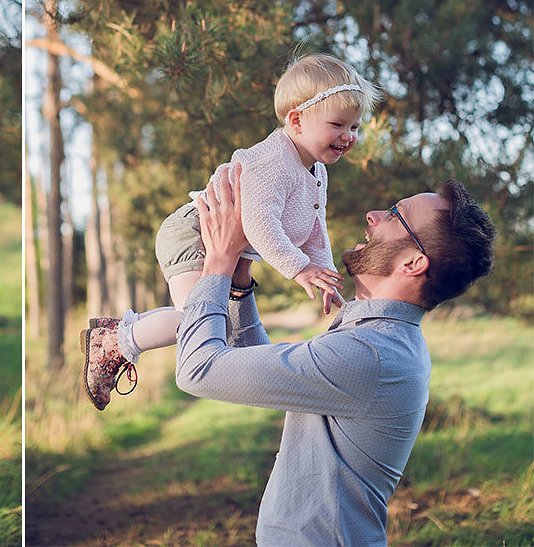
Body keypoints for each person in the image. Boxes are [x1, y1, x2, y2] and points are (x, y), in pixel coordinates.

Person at [178, 163, 495, 546]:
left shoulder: (370, 354)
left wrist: (218, 261)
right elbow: (258, 365)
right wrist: (240, 275)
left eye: (396, 215)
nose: (374, 216)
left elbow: (197, 370)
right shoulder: (377, 339)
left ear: (413, 263)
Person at [82, 54, 382, 410]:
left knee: (205, 323)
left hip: (215, 241)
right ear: (297, 120)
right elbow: (258, 223)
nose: (348, 137)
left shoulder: (315, 170)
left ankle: (115, 331)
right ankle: (116, 340)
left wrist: (324, 275)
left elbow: (317, 227)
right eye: (338, 125)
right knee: (197, 323)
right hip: (195, 233)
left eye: (355, 127)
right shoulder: (274, 162)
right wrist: (300, 268)